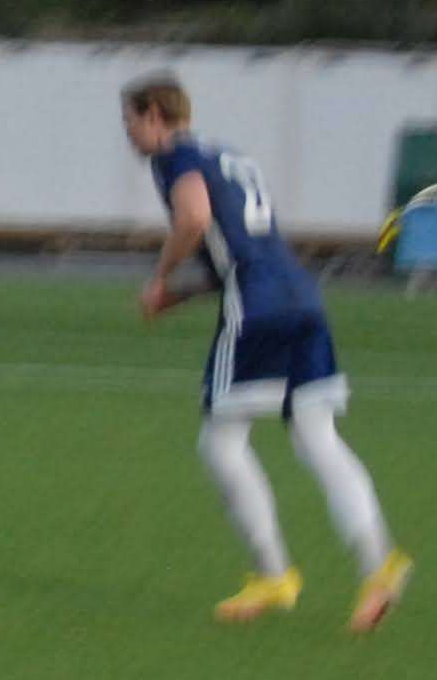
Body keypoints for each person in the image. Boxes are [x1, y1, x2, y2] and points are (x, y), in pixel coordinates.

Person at [124, 74, 414, 633]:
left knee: (220, 442)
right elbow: (238, 248)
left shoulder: (174, 157)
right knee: (317, 438)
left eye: (130, 122)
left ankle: (273, 573)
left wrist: (159, 276)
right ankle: (379, 565)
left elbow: (194, 219)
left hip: (256, 307)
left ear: (155, 115)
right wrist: (178, 297)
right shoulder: (227, 155)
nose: (129, 135)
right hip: (301, 296)